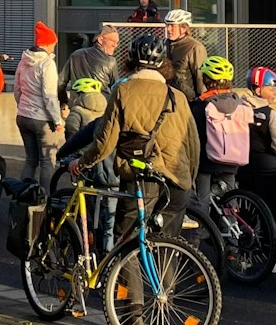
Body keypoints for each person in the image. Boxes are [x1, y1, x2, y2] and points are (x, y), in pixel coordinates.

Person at [67, 35, 195, 243]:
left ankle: (125, 264)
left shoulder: (123, 91)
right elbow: (192, 145)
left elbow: (105, 140)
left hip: (142, 177)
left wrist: (82, 162)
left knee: (127, 241)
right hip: (178, 179)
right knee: (167, 246)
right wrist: (189, 177)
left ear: (129, 60)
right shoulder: (177, 96)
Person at [239, 66, 276, 273]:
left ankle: (244, 256)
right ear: (258, 89)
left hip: (244, 166)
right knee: (271, 211)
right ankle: (275, 256)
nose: (275, 92)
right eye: (271, 88)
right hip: (268, 168)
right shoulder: (270, 113)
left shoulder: (239, 109)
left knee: (247, 212)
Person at [191, 57, 256, 218]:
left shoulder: (200, 105)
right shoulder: (240, 104)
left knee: (201, 203)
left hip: (206, 162)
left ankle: (202, 231)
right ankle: (231, 229)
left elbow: (193, 136)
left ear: (206, 80)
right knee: (229, 201)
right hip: (233, 160)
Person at [13, 22, 63, 190]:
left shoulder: (23, 61)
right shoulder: (47, 64)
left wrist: (22, 106)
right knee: (47, 161)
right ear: (47, 44)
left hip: (23, 116)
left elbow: (17, 89)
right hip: (42, 119)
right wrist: (57, 120)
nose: (54, 47)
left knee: (30, 160)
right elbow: (49, 96)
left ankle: (23, 195)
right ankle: (46, 197)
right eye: (53, 44)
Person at [60, 25, 119, 113]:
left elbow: (61, 82)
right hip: (100, 108)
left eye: (117, 42)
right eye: (112, 41)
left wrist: (64, 102)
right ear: (100, 39)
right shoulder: (110, 61)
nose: (115, 45)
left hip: (77, 106)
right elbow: (115, 88)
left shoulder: (75, 55)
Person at [163, 9, 207, 102]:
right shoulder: (164, 44)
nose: (168, 29)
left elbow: (200, 77)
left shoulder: (195, 47)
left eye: (172, 25)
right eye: (167, 25)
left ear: (183, 28)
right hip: (166, 98)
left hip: (187, 100)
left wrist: (201, 101)